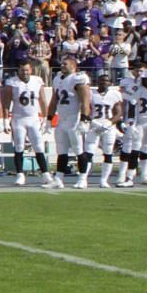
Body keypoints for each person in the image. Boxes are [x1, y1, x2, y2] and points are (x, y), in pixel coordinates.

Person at [49, 53, 91, 191]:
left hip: (75, 118)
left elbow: (85, 100)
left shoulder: (78, 78)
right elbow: (54, 100)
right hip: (62, 118)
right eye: (61, 64)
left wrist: (85, 119)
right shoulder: (57, 79)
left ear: (73, 66)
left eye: (65, 64)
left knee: (78, 150)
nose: (62, 66)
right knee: (61, 151)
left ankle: (83, 178)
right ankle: (58, 179)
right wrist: (49, 118)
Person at [4, 57, 49, 185]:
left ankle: (45, 173)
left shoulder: (37, 81)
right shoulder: (12, 82)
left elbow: (43, 101)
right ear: (18, 70)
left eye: (27, 70)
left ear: (31, 70)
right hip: (18, 118)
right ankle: (20, 174)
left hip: (34, 118)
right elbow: (6, 103)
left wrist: (46, 118)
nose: (25, 73)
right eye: (23, 70)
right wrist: (5, 120)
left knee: (39, 146)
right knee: (19, 147)